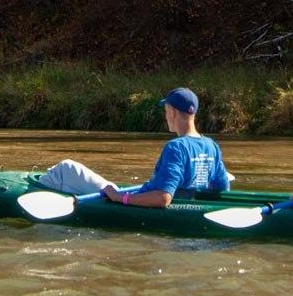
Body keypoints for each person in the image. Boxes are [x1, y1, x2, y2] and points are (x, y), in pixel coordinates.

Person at [37, 87, 230, 208]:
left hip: (140, 201)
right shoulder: (211, 146)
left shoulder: (176, 147)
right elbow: (220, 188)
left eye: (165, 111)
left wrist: (121, 199)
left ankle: (35, 188)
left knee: (68, 167)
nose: (165, 117)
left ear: (172, 112)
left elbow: (163, 198)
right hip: (170, 200)